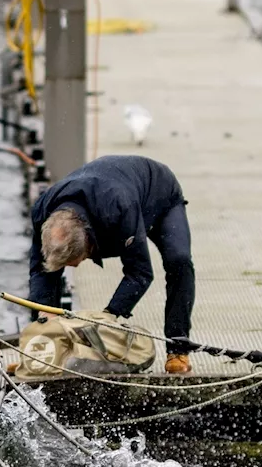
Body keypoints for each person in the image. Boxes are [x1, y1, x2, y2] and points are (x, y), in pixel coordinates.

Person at [27, 155, 195, 374]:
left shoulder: (118, 209)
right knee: (47, 284)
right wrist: (43, 318)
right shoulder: (43, 210)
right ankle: (49, 355)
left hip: (160, 196)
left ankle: (178, 349)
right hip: (116, 190)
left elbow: (140, 273)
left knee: (179, 261)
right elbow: (40, 270)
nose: (74, 268)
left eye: (73, 262)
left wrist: (108, 316)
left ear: (88, 243)